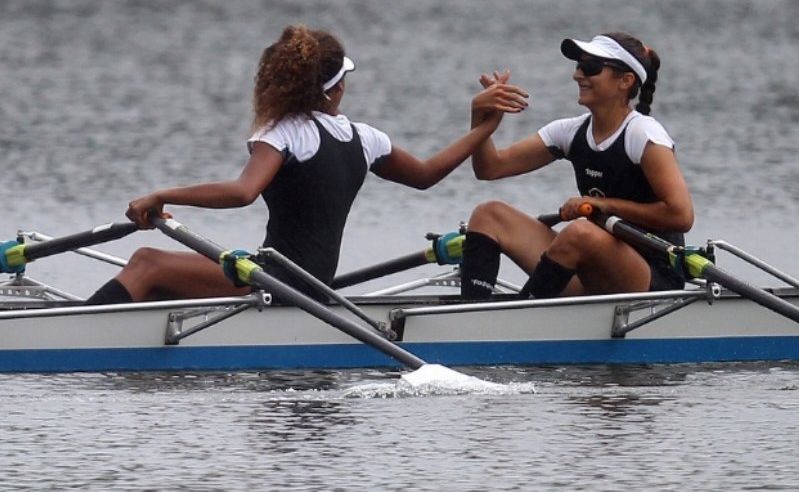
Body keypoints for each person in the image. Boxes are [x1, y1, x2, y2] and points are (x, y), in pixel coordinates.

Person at [85, 25, 529, 305]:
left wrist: (162, 195)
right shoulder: (365, 138)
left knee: (146, 262)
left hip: (278, 281)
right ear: (335, 90)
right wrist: (482, 128)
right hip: (313, 281)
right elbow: (428, 175)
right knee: (160, 281)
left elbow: (244, 193)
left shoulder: (284, 132)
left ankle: (71, 335)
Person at [460, 31, 694, 300]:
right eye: (578, 66)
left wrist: (605, 206)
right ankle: (471, 315)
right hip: (593, 269)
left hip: (652, 275)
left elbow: (681, 215)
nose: (578, 75)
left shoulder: (643, 134)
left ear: (625, 81)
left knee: (580, 232)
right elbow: (490, 168)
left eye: (591, 68)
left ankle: (521, 319)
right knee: (489, 214)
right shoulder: (569, 131)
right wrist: (482, 121)